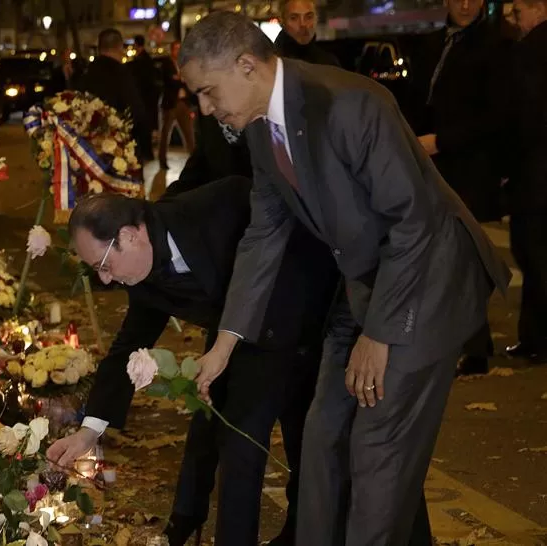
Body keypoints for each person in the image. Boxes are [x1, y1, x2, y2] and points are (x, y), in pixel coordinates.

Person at [179, 12, 511, 546]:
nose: (204, 108)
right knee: (323, 438)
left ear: (246, 66)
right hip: (365, 285)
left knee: (376, 450)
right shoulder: (262, 130)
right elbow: (263, 236)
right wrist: (225, 343)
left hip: (426, 281)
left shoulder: (350, 104)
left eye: (208, 92)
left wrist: (378, 335)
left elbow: (415, 223)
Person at [46, 179, 339, 546]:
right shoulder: (141, 272)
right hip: (235, 338)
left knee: (276, 439)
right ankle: (205, 526)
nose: (106, 278)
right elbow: (128, 345)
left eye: (104, 264)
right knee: (229, 433)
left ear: (131, 234)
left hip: (301, 311)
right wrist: (89, 431)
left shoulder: (216, 209)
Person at [410, 0, 511, 375]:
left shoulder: (493, 46)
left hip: (467, 168)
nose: (466, 5)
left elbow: (496, 116)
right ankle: (465, 343)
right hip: (433, 165)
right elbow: (419, 98)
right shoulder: (433, 43)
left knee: (462, 261)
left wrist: (442, 140)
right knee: (444, 261)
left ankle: (474, 346)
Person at [506, 0, 547, 363]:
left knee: (531, 254)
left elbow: (521, 119)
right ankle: (533, 337)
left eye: (518, 12)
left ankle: (537, 338)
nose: (515, 21)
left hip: (534, 175)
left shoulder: (528, 54)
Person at [76, 29, 150, 159]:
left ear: (99, 48)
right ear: (120, 47)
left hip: (90, 153)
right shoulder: (122, 74)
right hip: (119, 150)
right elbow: (136, 111)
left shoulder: (87, 73)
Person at [158, 41, 196, 170]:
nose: (178, 52)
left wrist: (179, 78)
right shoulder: (167, 64)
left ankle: (195, 161)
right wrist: (179, 79)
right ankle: (162, 160)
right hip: (171, 103)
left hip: (183, 103)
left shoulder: (184, 64)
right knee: (165, 134)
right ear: (172, 50)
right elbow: (168, 80)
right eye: (176, 49)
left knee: (189, 134)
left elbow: (190, 81)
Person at [274, 0, 340, 66]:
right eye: (294, 18)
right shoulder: (272, 62)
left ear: (316, 19)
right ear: (282, 22)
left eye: (309, 17)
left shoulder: (328, 63)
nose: (303, 24)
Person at [129, 35, 159, 161]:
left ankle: (146, 153)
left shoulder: (140, 60)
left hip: (144, 98)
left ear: (136, 45)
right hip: (147, 98)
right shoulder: (146, 59)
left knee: (144, 128)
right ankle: (147, 152)